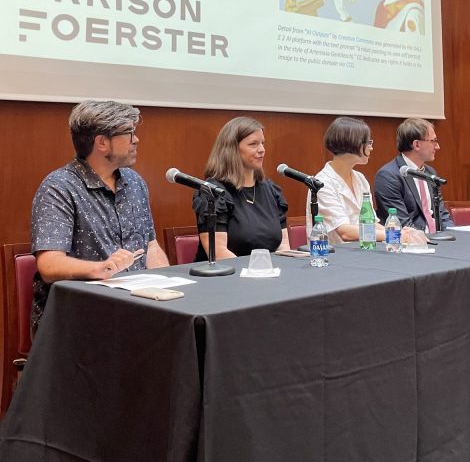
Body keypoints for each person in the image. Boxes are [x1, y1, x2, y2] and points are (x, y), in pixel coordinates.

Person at [30, 100, 169, 332]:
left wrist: (163, 285)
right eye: (129, 133)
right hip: (81, 315)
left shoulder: (135, 183)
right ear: (102, 142)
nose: (136, 139)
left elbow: (150, 246)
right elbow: (49, 264)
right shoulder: (59, 188)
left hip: (139, 305)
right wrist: (98, 269)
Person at [310, 116, 428, 246]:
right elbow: (345, 232)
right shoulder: (322, 183)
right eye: (368, 142)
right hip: (335, 255)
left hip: (365, 250)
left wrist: (398, 232)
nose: (371, 148)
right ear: (352, 143)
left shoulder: (360, 178)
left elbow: (371, 223)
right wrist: (394, 235)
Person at [192, 117, 290, 260]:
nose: (262, 150)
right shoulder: (213, 193)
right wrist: (257, 273)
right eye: (253, 144)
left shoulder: (271, 191)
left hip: (268, 275)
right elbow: (218, 252)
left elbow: (283, 244)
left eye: (262, 143)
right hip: (228, 277)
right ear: (232, 150)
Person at [373, 117, 453, 231]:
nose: (437, 146)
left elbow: (442, 216)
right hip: (413, 242)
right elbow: (402, 224)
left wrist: (456, 234)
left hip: (437, 238)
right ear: (416, 145)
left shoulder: (430, 173)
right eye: (433, 141)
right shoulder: (388, 176)